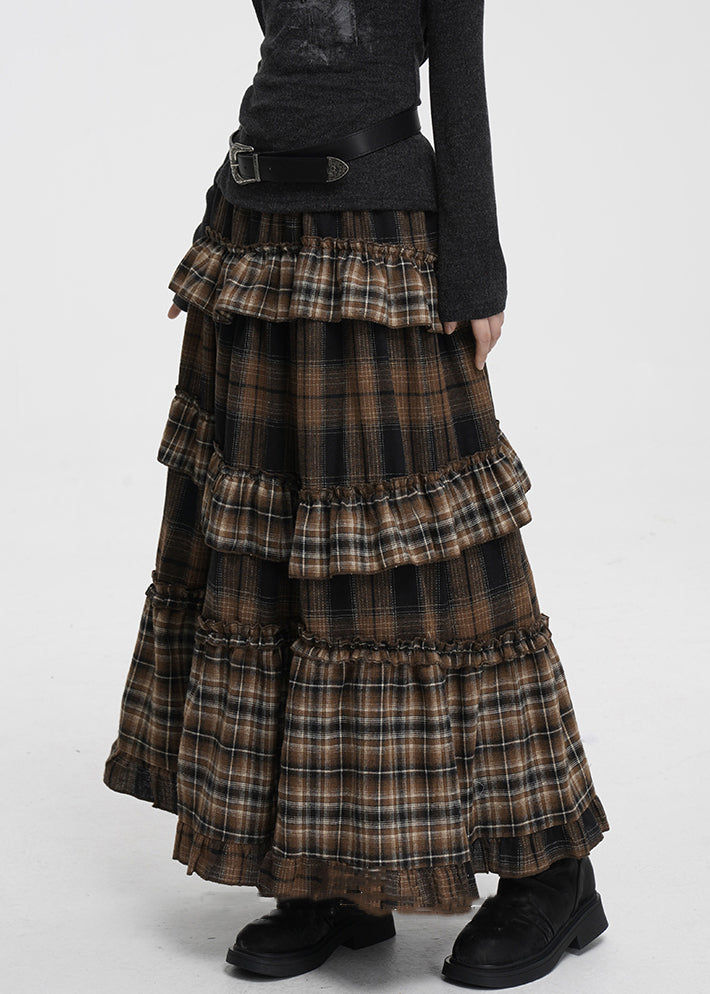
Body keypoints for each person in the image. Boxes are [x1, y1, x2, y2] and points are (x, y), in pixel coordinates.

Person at [104, 2, 610, 987]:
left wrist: (475, 269)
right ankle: (332, 873)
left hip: (380, 238)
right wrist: (214, 221)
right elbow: (288, 69)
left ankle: (551, 869)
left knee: (434, 569)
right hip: (259, 239)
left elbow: (456, 85)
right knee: (276, 568)